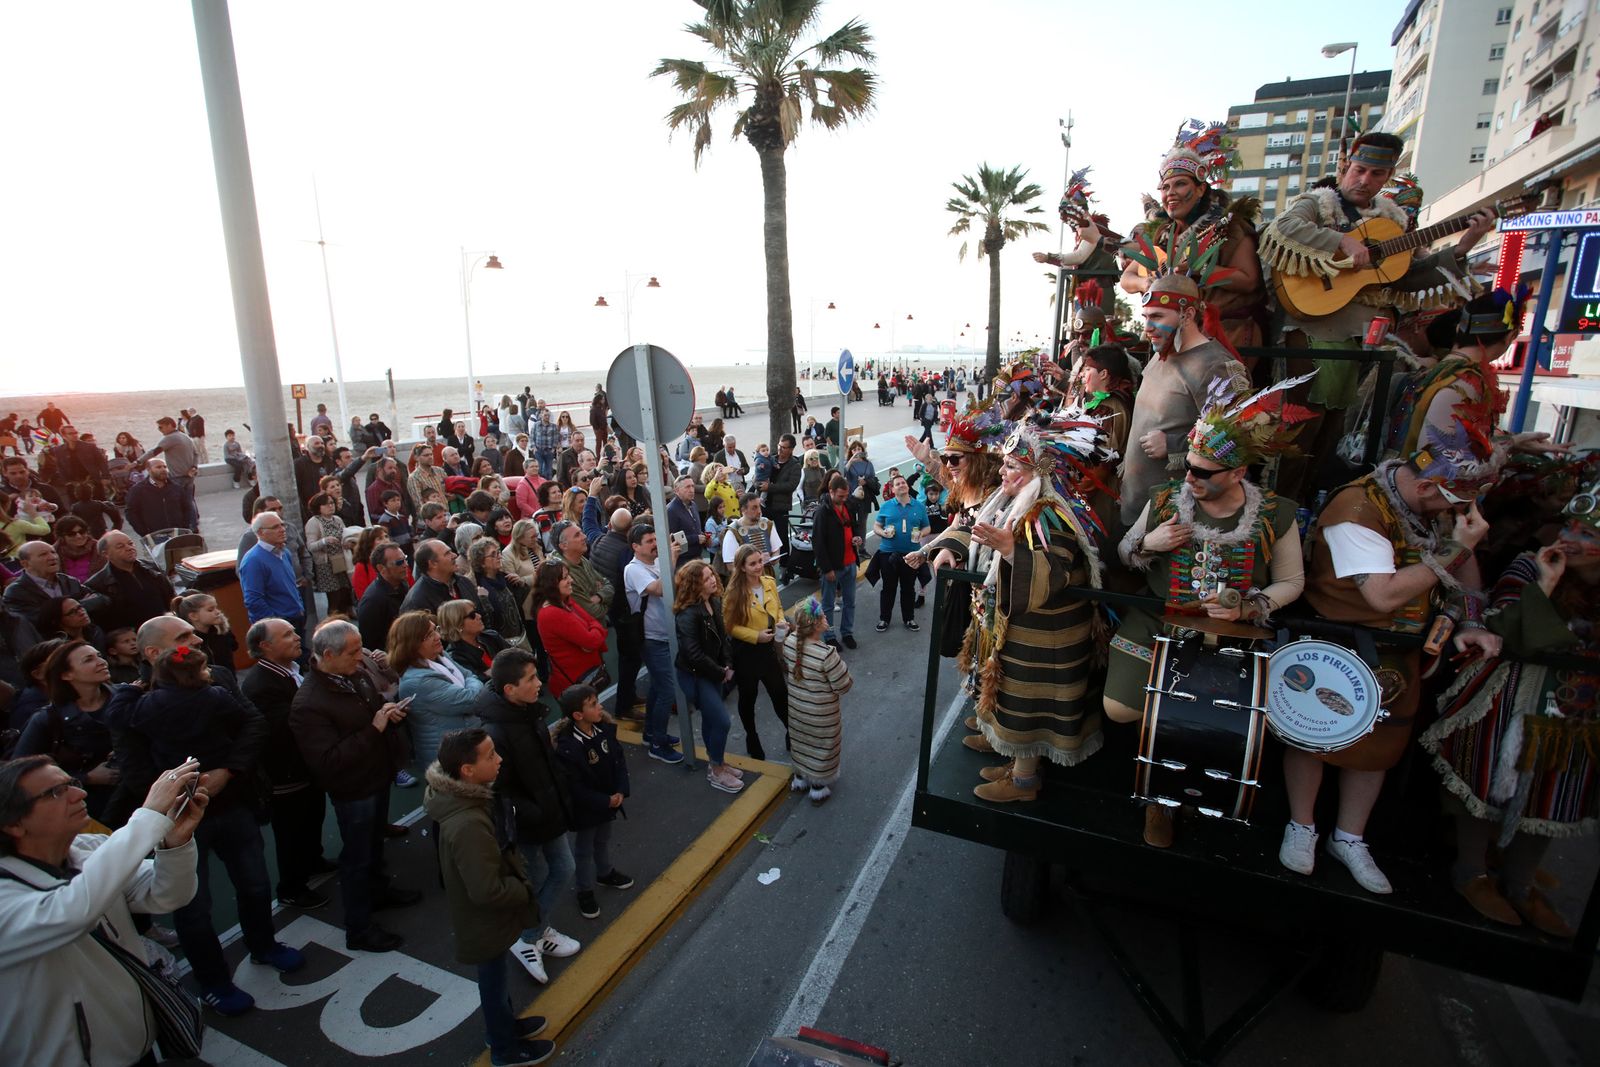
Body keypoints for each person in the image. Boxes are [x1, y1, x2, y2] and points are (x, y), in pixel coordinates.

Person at [1287, 425, 1505, 894]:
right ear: (1426, 485)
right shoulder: (1357, 509)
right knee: (1312, 734)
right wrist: (1456, 549)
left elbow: (1464, 568)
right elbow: (1382, 596)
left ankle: (1349, 837)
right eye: (1451, 502)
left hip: (1399, 651)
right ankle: (1301, 825)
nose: (1457, 514)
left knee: (1379, 747)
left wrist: (1470, 621)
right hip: (1341, 640)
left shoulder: (1432, 507)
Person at [1110, 376, 1310, 845]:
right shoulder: (1165, 499)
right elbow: (1123, 552)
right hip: (1159, 622)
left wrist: (1256, 605)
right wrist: (1147, 543)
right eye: (1190, 468)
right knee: (1119, 708)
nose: (1191, 479)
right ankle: (1161, 785)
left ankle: (1167, 800)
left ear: (1238, 473)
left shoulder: (1276, 514)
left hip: (1234, 636)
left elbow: (1293, 582)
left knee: (1214, 724)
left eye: (1204, 473)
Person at [1259, 131, 1494, 500]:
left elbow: (1410, 277)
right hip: (1312, 328)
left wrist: (1464, 247)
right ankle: (1278, 503)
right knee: (1299, 428)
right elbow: (1283, 228)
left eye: (1377, 175)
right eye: (1360, 170)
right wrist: (1341, 241)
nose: (1365, 180)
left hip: (1361, 339)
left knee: (1330, 433)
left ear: (1388, 178)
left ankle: (1302, 508)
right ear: (1346, 167)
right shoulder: (1318, 205)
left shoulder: (1392, 222)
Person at [122, 644, 305, 1015]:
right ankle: (214, 981)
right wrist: (178, 792)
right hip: (181, 819)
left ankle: (262, 946)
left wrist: (228, 771)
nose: (208, 663)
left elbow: (254, 726)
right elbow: (133, 764)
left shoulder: (142, 704)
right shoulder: (208, 695)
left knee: (253, 883)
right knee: (193, 903)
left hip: (230, 802)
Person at [0, 754, 207, 1067]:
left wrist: (174, 843)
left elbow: (165, 895)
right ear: (13, 824)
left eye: (72, 782)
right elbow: (71, 912)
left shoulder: (90, 848)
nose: (79, 793)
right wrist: (149, 815)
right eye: (56, 792)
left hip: (135, 1045)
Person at [946, 418, 1109, 802]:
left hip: (1045, 637)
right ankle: (1009, 752)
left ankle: (1023, 782)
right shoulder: (1016, 501)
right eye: (1003, 463)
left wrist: (1009, 551)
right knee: (1009, 694)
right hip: (1020, 628)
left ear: (1038, 471)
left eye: (1011, 466)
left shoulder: (1049, 514)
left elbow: (1056, 573)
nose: (1001, 471)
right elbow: (975, 529)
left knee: (1031, 705)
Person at [422, 729, 555, 1065]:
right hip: (485, 921)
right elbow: (486, 890)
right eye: (491, 755)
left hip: (483, 919)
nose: (500, 759)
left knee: (496, 980)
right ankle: (503, 1048)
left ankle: (505, 1027)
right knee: (493, 983)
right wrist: (522, 890)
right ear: (467, 771)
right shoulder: (466, 822)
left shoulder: (463, 803)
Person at [290, 619, 419, 952]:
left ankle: (377, 892)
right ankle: (359, 928)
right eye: (353, 652)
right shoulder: (309, 704)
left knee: (373, 845)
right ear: (328, 654)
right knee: (357, 856)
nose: (360, 658)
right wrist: (375, 728)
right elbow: (328, 761)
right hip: (354, 789)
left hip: (374, 777)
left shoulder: (352, 675)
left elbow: (370, 709)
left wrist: (386, 713)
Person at [473, 649, 583, 983]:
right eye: (531, 679)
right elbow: (498, 789)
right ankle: (526, 938)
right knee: (547, 875)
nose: (540, 683)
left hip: (546, 812)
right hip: (531, 822)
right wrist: (534, 811)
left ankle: (536, 929)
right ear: (509, 689)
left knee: (557, 871)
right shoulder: (497, 732)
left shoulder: (526, 713)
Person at [1119, 122, 1264, 356]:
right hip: (1174, 337)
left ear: (1200, 189)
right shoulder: (1165, 235)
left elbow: (1249, 280)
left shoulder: (1231, 226)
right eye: (1165, 187)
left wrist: (1197, 267)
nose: (1170, 193)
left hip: (1227, 334)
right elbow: (1127, 277)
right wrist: (1146, 285)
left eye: (1180, 184)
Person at [241, 618, 332, 911]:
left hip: (306, 766)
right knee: (291, 830)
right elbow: (285, 727)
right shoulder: (260, 684)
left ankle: (313, 860)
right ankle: (292, 887)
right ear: (265, 646)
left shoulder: (290, 670)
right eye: (287, 635)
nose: (296, 637)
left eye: (294, 632)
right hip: (285, 772)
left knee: (312, 815)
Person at [553, 684, 634, 922]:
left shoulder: (604, 731)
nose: (600, 707)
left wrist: (620, 791)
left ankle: (605, 872)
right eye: (593, 705)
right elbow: (575, 787)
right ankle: (584, 889)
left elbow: (619, 762)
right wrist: (605, 800)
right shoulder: (568, 747)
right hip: (588, 808)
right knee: (584, 848)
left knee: (603, 839)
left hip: (608, 802)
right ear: (578, 715)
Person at [14, 639, 120, 821]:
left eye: (99, 656)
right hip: (86, 810)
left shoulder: (126, 700)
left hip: (138, 797)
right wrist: (86, 778)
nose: (101, 662)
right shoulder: (47, 719)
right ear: (66, 674)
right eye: (88, 660)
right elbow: (20, 772)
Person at [674, 560, 743, 793]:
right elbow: (692, 655)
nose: (713, 579)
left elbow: (723, 639)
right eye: (706, 578)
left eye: (711, 574)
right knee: (722, 721)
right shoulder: (687, 614)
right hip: (696, 675)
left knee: (711, 720)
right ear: (695, 585)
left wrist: (728, 664)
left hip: (713, 671)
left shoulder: (713, 601)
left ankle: (719, 762)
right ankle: (715, 769)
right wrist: (721, 671)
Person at [391, 609, 484, 772]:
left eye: (435, 629)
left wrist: (471, 681)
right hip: (447, 758)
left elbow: (469, 675)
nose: (437, 636)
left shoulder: (440, 656)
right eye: (429, 635)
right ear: (412, 644)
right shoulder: (418, 681)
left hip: (464, 745)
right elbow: (473, 699)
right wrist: (473, 683)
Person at [780, 597, 854, 805]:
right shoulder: (827, 654)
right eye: (822, 615)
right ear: (816, 623)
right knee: (822, 746)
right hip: (821, 715)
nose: (826, 617)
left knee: (801, 741)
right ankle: (818, 786)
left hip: (797, 710)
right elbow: (844, 685)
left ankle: (800, 777)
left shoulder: (789, 642)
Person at [624, 523, 684, 762]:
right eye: (649, 541)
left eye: (654, 539)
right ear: (635, 547)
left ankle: (651, 733)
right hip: (651, 639)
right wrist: (671, 559)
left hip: (666, 634)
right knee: (669, 689)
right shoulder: (633, 569)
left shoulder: (658, 561)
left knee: (659, 688)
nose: (654, 544)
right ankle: (658, 743)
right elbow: (660, 589)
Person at [83, 530, 175, 635]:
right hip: (134, 639)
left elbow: (170, 597)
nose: (129, 548)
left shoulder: (152, 568)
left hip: (167, 628)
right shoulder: (97, 584)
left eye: (130, 543)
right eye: (120, 546)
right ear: (105, 553)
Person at [871, 474, 929, 632]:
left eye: (903, 482)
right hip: (888, 554)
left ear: (908, 486)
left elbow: (927, 527)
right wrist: (883, 533)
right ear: (893, 489)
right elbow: (876, 526)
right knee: (888, 588)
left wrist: (921, 534)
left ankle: (909, 618)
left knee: (908, 588)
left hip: (911, 554)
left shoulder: (919, 506)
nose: (902, 485)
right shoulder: (886, 506)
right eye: (898, 484)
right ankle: (884, 619)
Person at [812, 474, 863, 650]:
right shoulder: (822, 512)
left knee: (850, 601)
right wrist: (827, 569)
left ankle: (847, 633)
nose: (844, 499)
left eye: (846, 495)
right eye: (841, 496)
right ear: (831, 491)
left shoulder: (846, 505)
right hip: (833, 566)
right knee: (827, 604)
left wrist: (856, 537)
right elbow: (818, 543)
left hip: (850, 562)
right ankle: (830, 635)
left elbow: (853, 526)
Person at [4, 540, 104, 628]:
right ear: (25, 564)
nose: (52, 557)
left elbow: (101, 599)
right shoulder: (16, 591)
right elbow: (37, 621)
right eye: (43, 554)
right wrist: (74, 608)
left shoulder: (68, 581)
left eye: (53, 552)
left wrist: (77, 606)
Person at [239, 511, 306, 637]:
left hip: (296, 618)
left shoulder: (284, 552)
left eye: (282, 525)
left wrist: (299, 608)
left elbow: (291, 585)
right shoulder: (253, 560)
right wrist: (276, 624)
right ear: (260, 532)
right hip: (278, 627)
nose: (282, 530)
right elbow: (253, 600)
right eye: (275, 527)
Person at [758, 434, 803, 575]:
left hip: (780, 507)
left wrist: (769, 487)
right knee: (762, 537)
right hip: (765, 505)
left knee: (782, 538)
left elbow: (790, 486)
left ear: (791, 449)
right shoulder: (770, 458)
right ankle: (762, 565)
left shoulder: (795, 465)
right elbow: (758, 476)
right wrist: (757, 484)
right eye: (779, 446)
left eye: (784, 447)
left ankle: (784, 567)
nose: (780, 450)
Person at [122, 456, 198, 539]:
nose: (163, 469)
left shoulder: (177, 487)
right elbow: (131, 513)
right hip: (154, 536)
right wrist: (144, 532)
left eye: (165, 467)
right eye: (158, 467)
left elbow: (187, 508)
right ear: (148, 469)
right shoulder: (138, 490)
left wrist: (185, 527)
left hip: (178, 534)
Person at [401, 539, 482, 616]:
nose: (454, 555)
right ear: (433, 563)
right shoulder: (417, 601)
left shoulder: (463, 582)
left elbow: (481, 615)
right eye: (447, 553)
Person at [440, 596, 510, 682]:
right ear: (458, 624)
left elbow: (518, 657)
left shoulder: (491, 636)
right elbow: (477, 682)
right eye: (472, 615)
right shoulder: (456, 656)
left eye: (477, 612)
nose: (479, 616)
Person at [171, 590, 237, 671]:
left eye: (216, 608)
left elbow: (234, 646)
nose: (217, 612)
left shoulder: (221, 631)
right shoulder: (186, 642)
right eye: (210, 610)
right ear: (193, 616)